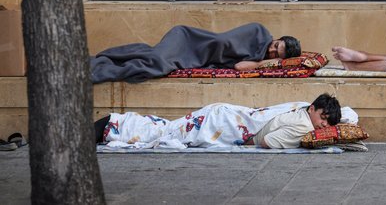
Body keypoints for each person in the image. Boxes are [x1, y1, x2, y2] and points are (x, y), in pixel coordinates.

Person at [94, 93, 343, 149]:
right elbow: (266, 142)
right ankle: (111, 124)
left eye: (328, 124)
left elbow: (350, 115)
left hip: (224, 115)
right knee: (164, 134)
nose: (323, 126)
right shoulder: (303, 124)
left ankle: (112, 124)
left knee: (167, 128)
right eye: (322, 118)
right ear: (313, 108)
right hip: (223, 124)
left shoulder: (300, 108)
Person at [90, 22, 301, 83]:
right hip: (188, 40)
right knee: (155, 61)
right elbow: (223, 42)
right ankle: (98, 66)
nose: (272, 50)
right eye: (276, 45)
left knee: (155, 63)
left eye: (276, 55)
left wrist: (265, 63)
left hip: (195, 58)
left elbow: (238, 67)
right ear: (277, 38)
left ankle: (102, 67)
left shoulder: (258, 59)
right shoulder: (258, 31)